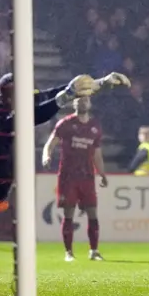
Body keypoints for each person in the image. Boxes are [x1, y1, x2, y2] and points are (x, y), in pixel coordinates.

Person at [0, 72, 130, 213]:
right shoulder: (4, 121)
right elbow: (34, 115)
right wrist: (65, 97)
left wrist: (99, 83)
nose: (32, 98)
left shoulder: (8, 109)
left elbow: (48, 95)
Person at [42, 96, 110, 262]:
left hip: (87, 176)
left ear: (90, 104)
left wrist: (102, 173)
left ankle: (94, 251)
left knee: (92, 212)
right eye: (79, 101)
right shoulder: (65, 124)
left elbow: (97, 153)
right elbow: (50, 143)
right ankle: (69, 253)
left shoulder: (95, 126)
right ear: (74, 104)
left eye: (85, 100)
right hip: (68, 176)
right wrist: (46, 156)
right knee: (69, 213)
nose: (82, 103)